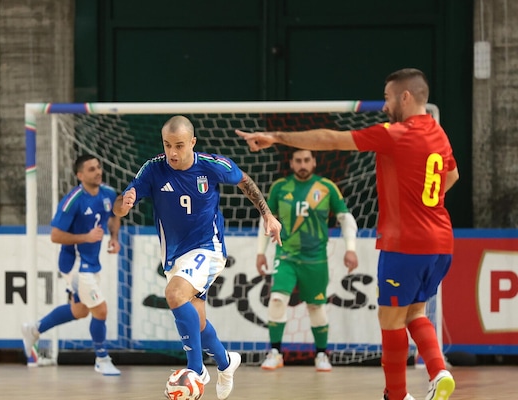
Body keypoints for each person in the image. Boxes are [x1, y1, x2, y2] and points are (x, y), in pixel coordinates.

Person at [236, 68, 458, 400]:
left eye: (387, 98)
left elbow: (331, 139)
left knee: (391, 320)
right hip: (441, 242)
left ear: (406, 97)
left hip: (405, 244)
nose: (384, 107)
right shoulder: (438, 133)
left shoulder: (394, 133)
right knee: (415, 312)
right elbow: (452, 176)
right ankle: (439, 371)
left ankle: (396, 395)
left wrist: (278, 137)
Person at [115, 115, 282, 400]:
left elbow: (245, 181)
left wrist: (267, 214)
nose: (173, 152)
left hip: (209, 248)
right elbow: (120, 207)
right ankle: (226, 362)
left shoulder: (212, 165)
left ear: (193, 142)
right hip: (175, 256)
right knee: (198, 323)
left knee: (174, 294)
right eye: (167, 145)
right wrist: (124, 203)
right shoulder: (153, 169)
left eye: (179, 145)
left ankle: (196, 370)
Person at [256, 149, 359, 372]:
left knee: (316, 307)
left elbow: (345, 218)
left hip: (316, 260)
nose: (302, 164)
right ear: (291, 163)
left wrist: (350, 249)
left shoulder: (327, 187)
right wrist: (260, 252)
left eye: (306, 160)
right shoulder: (280, 187)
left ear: (313, 162)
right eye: (298, 160)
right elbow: (266, 219)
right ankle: (275, 352)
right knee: (276, 300)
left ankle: (321, 354)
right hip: (286, 256)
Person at [21, 154, 122, 376]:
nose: (97, 171)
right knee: (101, 310)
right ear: (80, 175)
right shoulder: (73, 200)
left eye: (98, 167)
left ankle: (34, 329)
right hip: (74, 264)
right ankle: (102, 358)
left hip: (92, 263)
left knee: (80, 311)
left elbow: (114, 215)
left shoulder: (108, 193)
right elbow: (55, 236)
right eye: (91, 169)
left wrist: (115, 237)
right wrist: (85, 237)